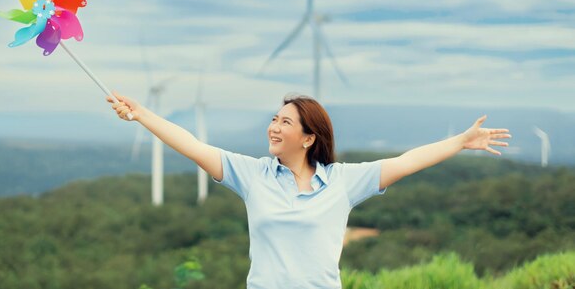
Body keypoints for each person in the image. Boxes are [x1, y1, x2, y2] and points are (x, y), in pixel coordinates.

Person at [107, 92, 510, 289]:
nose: (274, 127)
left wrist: (460, 141)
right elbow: (192, 144)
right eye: (273, 119)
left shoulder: (342, 182)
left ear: (307, 138)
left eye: (285, 122)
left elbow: (406, 162)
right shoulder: (253, 175)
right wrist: (141, 113)